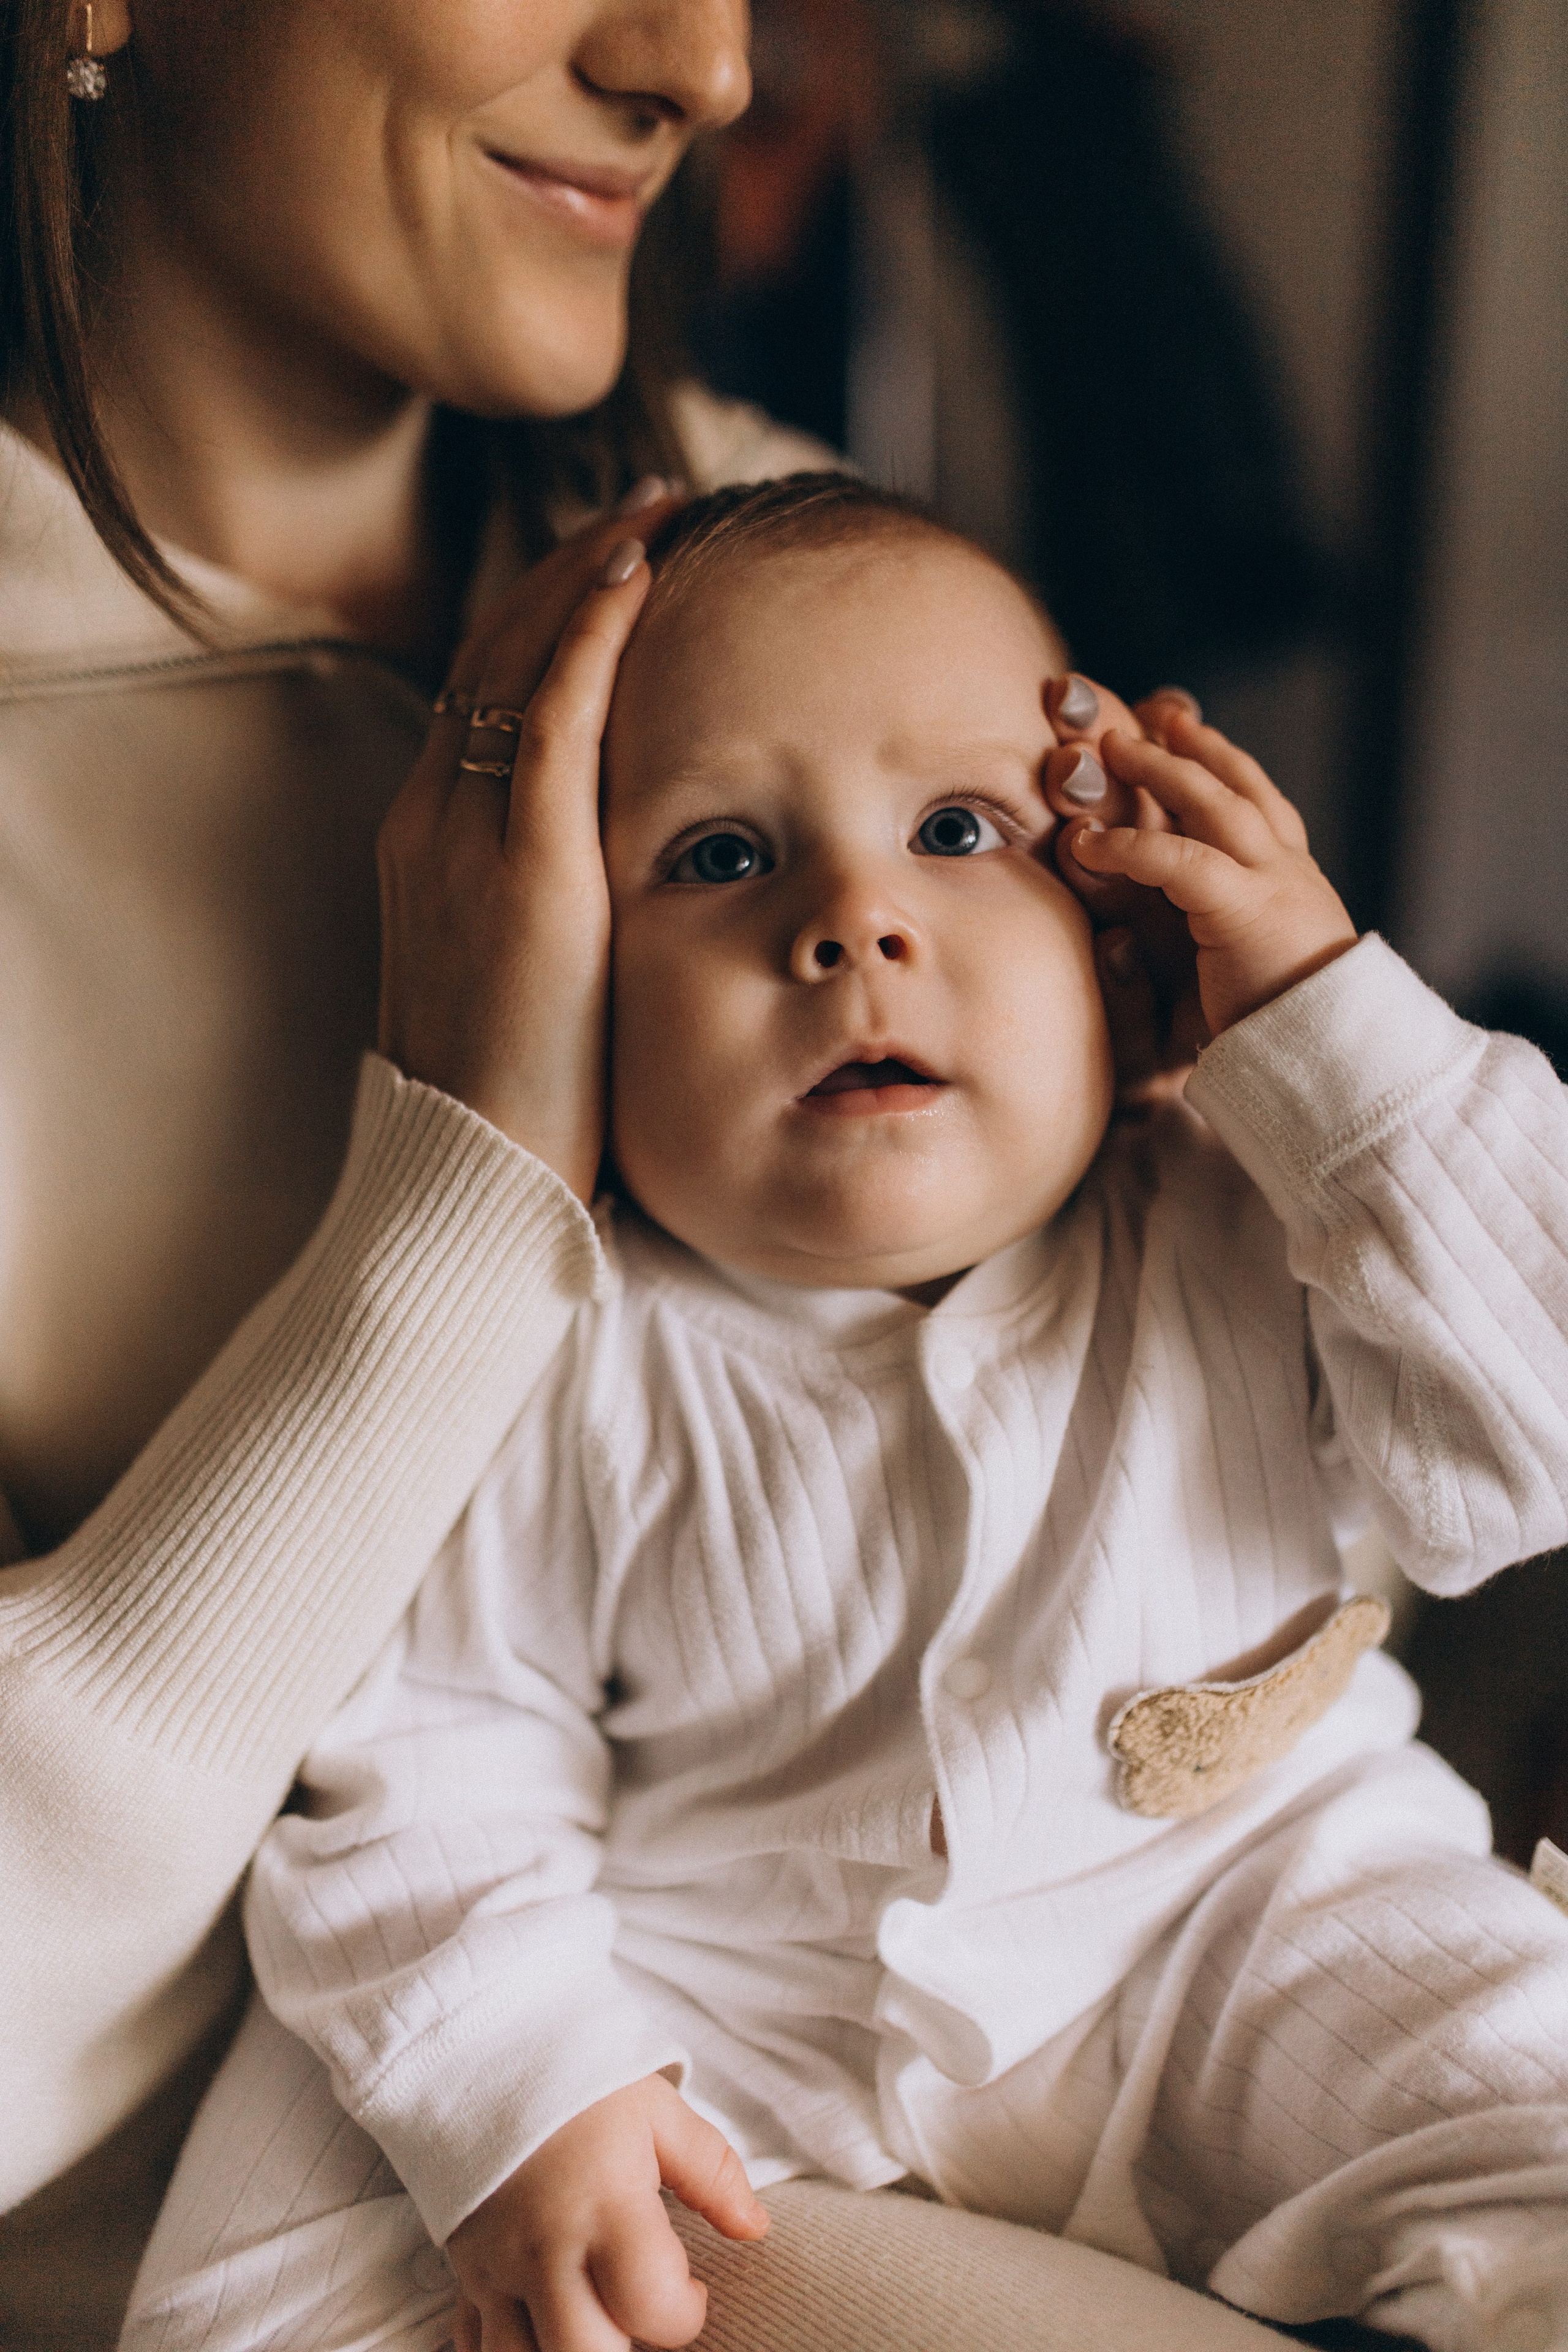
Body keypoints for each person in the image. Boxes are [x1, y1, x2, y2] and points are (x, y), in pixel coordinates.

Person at [0, 8, 1281, 2351]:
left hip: (1017, 2034)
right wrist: (452, 1214)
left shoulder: (797, 564)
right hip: (349, 2216)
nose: (700, 61)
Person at [122, 478, 1568, 2352]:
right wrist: (528, 2090)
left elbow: (1520, 1446)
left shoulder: (1246, 1191)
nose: (854, 920)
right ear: (571, 989)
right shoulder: (566, 1324)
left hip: (1242, 1923)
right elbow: (433, 1747)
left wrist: (1323, 1024)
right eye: (722, 858)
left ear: (1123, 952)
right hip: (725, 2002)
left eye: (957, 830)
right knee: (275, 2287)